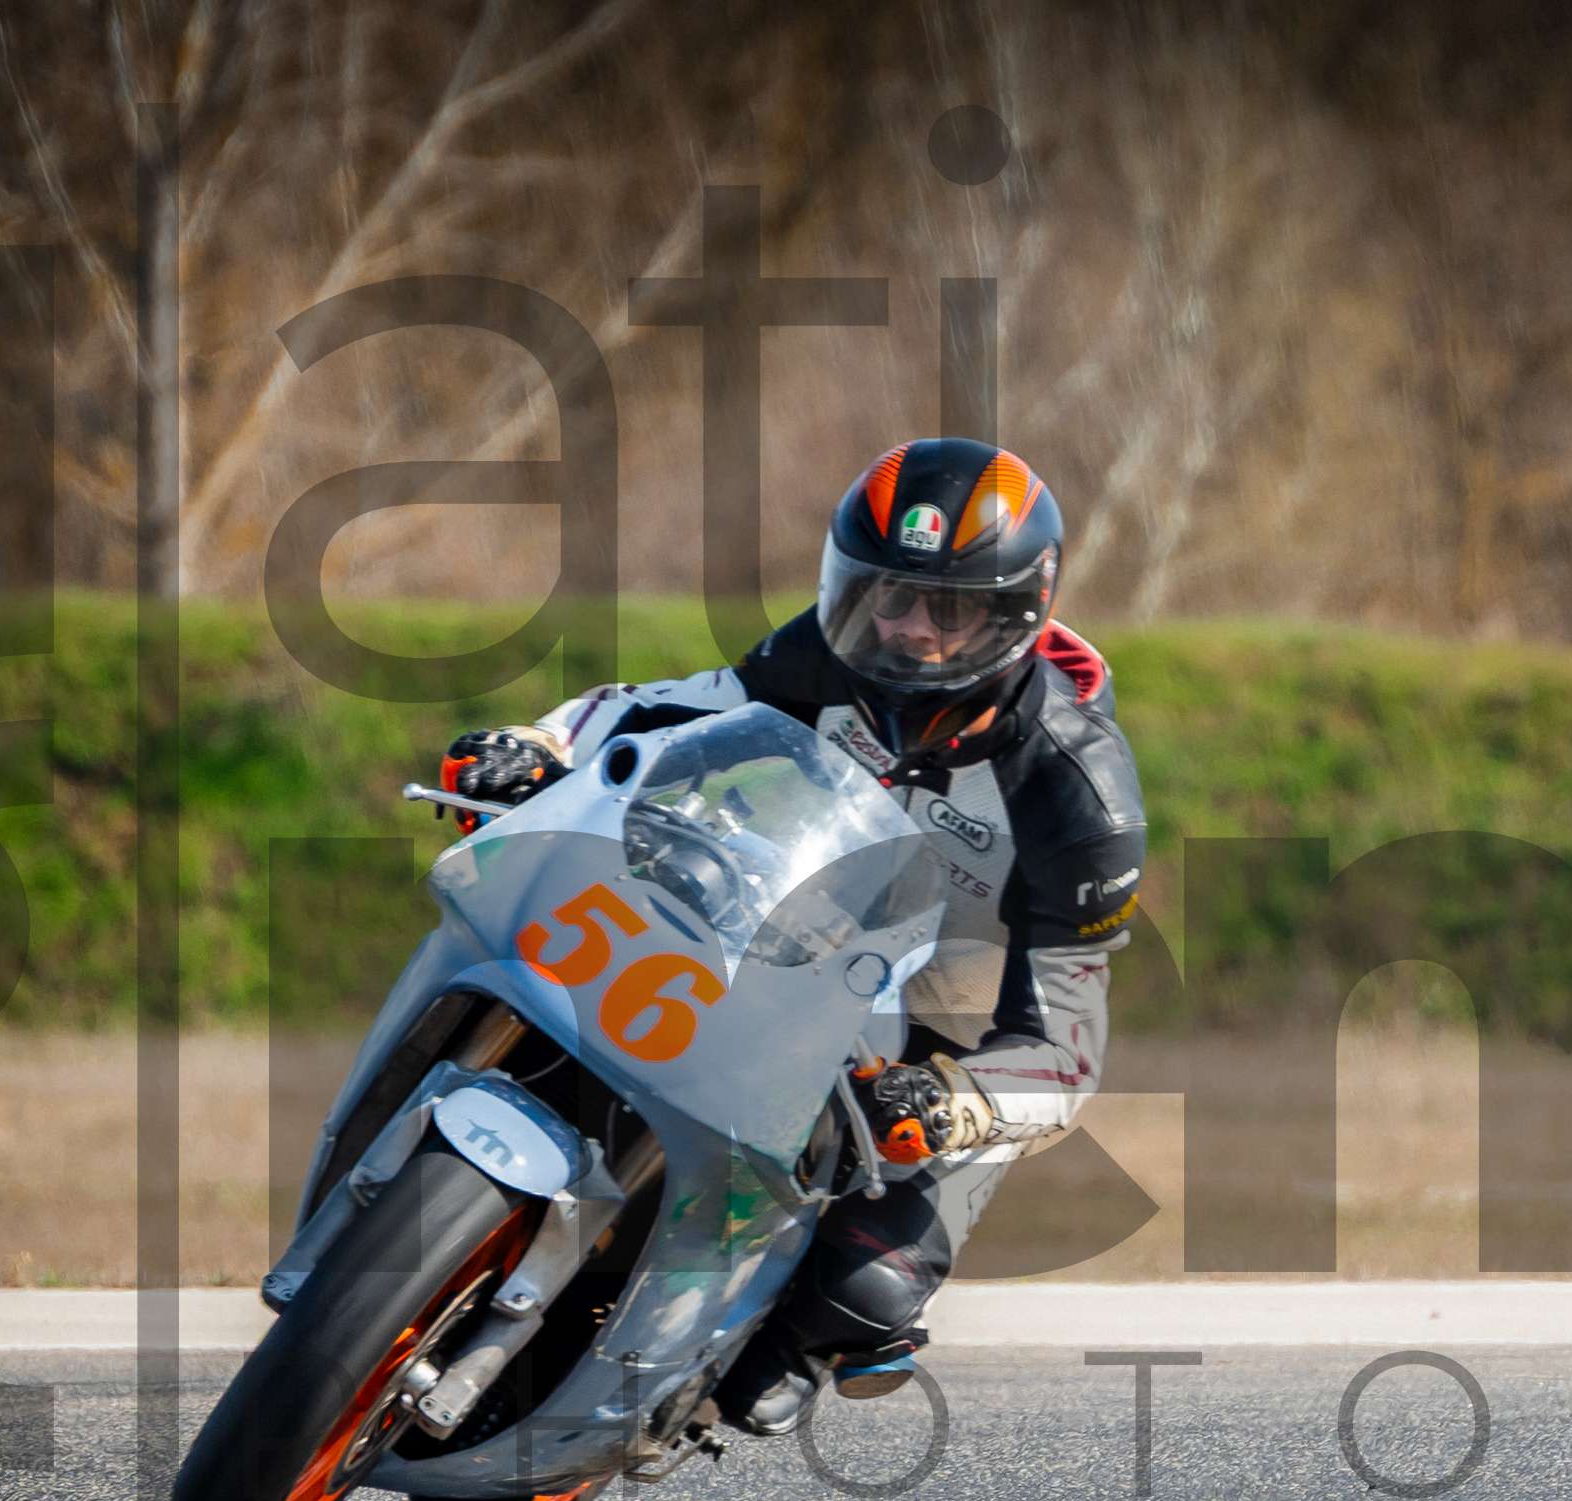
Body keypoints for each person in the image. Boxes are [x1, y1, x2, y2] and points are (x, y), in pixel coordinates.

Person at [436, 439, 1145, 1438]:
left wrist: (958, 1103)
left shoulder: (1080, 793)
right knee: (567, 1021)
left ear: (1014, 615)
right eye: (886, 594)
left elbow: (1068, 1049)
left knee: (863, 1292)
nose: (907, 629)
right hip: (793, 950)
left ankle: (740, 1363)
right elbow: (666, 710)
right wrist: (539, 747)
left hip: (945, 1046)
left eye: (947, 610)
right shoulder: (828, 651)